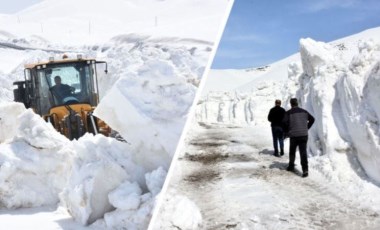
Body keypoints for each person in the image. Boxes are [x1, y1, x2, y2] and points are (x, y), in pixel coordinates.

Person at [282, 98, 315, 178]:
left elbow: (283, 122)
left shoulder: (288, 113)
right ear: (297, 103)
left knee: (292, 151)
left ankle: (291, 166)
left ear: (291, 104)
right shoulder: (304, 112)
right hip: (303, 135)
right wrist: (306, 127)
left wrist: (287, 131)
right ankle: (305, 170)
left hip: (293, 135)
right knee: (303, 152)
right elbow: (312, 119)